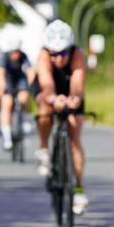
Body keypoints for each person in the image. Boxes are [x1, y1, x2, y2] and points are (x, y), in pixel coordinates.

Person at [33, 20, 88, 215]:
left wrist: (73, 100)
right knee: (44, 110)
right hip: (48, 88)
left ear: (70, 49)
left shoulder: (78, 55)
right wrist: (53, 99)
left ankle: (79, 189)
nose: (59, 59)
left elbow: (78, 85)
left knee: (74, 134)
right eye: (54, 54)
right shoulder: (43, 56)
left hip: (69, 87)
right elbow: (46, 85)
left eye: (63, 53)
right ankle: (44, 148)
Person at [0, 33, 33, 151]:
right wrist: (1, 87)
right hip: (8, 80)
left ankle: (25, 118)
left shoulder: (24, 56)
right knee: (7, 104)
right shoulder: (4, 57)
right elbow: (0, 73)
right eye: (13, 52)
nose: (15, 54)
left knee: (24, 97)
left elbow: (30, 72)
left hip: (20, 79)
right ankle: (7, 139)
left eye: (17, 51)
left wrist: (31, 86)